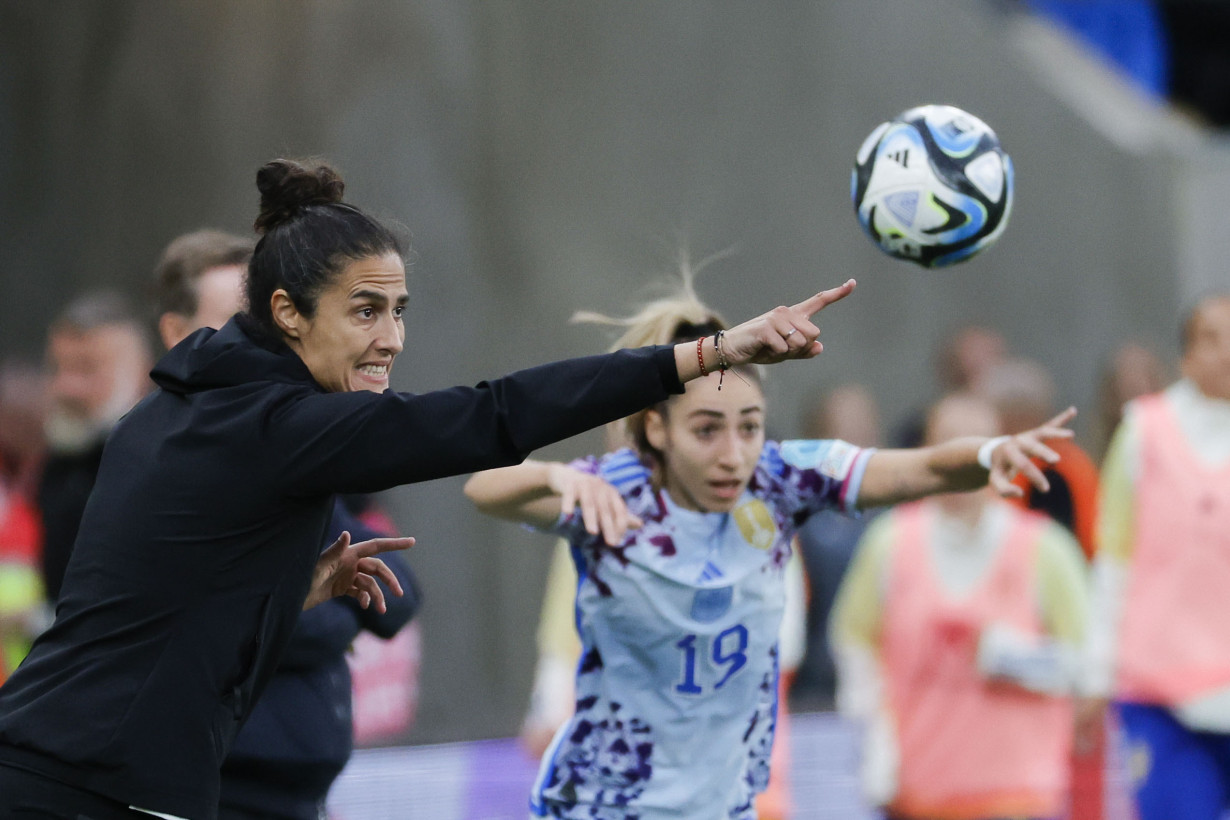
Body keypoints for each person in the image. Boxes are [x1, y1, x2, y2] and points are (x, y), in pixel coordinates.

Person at [0, 156, 857, 820]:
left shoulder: (177, 411)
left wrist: (289, 587)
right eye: (366, 311)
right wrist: (708, 354)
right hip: (94, 786)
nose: (392, 338)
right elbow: (493, 416)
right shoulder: (283, 428)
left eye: (400, 309)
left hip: (55, 762)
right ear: (289, 312)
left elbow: (157, 600)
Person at [463, 278, 1076, 819]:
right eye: (707, 429)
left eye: (749, 426)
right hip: (606, 807)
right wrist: (551, 476)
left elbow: (917, 469)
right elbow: (483, 487)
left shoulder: (781, 479)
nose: (733, 453)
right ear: (657, 428)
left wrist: (989, 454)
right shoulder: (610, 494)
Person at [150, 228, 421, 820]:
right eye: (236, 323)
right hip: (213, 789)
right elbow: (211, 625)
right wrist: (321, 610)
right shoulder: (164, 460)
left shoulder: (299, 445)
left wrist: (302, 600)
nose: (265, 345)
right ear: (179, 334)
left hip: (302, 791)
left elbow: (398, 595)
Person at [830, 392, 1090, 820]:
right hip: (918, 792)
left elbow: (1087, 667)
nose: (964, 462)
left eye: (977, 446)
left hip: (1017, 793)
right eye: (949, 445)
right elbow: (853, 646)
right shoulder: (890, 542)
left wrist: (1012, 658)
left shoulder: (1046, 549)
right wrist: (875, 743)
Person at [1084, 293, 1230, 820]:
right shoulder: (1145, 431)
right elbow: (1114, 559)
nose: (1227, 352)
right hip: (1163, 691)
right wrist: (1098, 671)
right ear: (1186, 357)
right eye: (1212, 339)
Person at [37, 290, 153, 604]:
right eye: (57, 368)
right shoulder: (58, 462)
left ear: (140, 370)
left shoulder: (165, 463)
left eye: (86, 368)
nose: (66, 387)